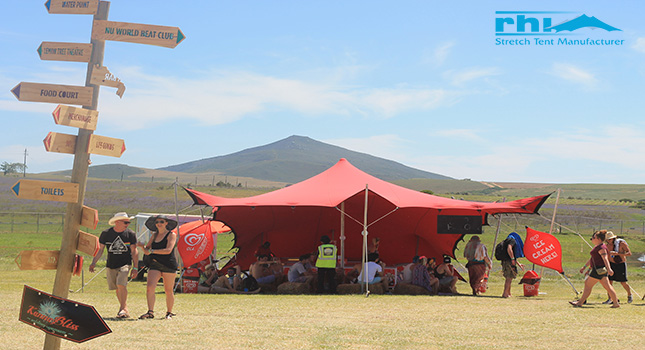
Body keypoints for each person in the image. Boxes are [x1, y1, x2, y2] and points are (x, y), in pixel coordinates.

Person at [89, 212, 139, 319]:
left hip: (125, 264)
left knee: (122, 284)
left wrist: (135, 267)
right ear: (117, 222)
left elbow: (134, 251)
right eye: (126, 222)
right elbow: (101, 250)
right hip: (111, 264)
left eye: (129, 222)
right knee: (117, 287)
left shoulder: (130, 234)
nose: (128, 224)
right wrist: (94, 262)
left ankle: (122, 308)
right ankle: (124, 309)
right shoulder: (106, 234)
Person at [138, 215, 179, 319]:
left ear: (166, 223)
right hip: (155, 264)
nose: (159, 224)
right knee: (149, 288)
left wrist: (152, 251)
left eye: (161, 221)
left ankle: (169, 312)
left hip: (169, 265)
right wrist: (142, 247)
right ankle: (150, 312)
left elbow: (168, 250)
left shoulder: (171, 235)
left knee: (168, 290)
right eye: (157, 222)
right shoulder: (154, 235)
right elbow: (147, 251)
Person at [570, 230, 620, 308]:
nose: (592, 239)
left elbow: (605, 259)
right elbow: (592, 258)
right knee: (608, 286)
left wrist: (609, 269)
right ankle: (616, 303)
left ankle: (580, 302)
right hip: (599, 270)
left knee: (588, 285)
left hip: (598, 270)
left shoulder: (601, 247)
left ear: (598, 238)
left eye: (593, 237)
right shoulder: (598, 247)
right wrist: (585, 267)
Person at [603, 231, 633, 304]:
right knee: (609, 282)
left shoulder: (621, 244)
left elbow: (629, 253)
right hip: (611, 265)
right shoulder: (607, 246)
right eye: (607, 239)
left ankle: (629, 295)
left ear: (613, 238)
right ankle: (611, 298)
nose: (608, 241)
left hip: (620, 264)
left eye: (610, 239)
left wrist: (618, 254)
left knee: (623, 282)